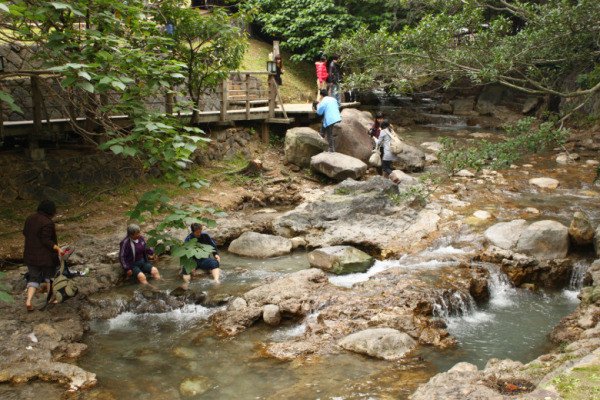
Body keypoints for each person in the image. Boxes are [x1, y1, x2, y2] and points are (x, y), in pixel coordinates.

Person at [23, 200, 64, 311]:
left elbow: (25, 233)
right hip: (45, 256)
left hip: (30, 255)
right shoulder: (47, 222)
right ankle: (50, 298)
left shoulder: (30, 218)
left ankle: (28, 301)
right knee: (49, 277)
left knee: (33, 277)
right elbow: (46, 240)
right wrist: (57, 248)